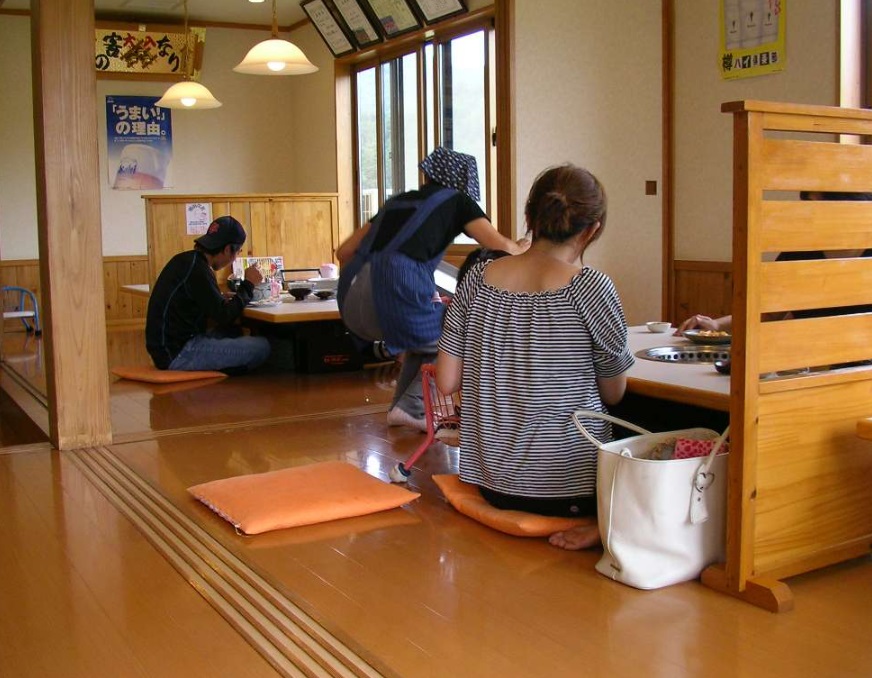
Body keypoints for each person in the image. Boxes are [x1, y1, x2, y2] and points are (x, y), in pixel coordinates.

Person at [436, 163, 635, 551]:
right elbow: (614, 394)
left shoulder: (476, 278)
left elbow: (446, 382)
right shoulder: (591, 287)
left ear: (528, 218)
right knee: (660, 417)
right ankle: (612, 519)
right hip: (569, 492)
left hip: (491, 485)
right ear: (592, 230)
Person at [336, 147, 530, 432]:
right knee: (453, 336)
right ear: (464, 181)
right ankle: (410, 406)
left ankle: (403, 408)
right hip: (394, 286)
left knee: (426, 341)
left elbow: (343, 252)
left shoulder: (398, 201)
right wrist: (526, 246)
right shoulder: (458, 201)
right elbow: (503, 248)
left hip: (350, 299)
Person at [675, 191, 872, 335]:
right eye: (809, 205)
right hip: (806, 364)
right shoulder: (800, 253)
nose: (812, 214)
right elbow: (769, 314)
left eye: (820, 207)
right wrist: (716, 325)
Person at [146, 215, 271, 372]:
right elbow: (224, 316)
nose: (235, 258)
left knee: (233, 332)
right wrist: (249, 284)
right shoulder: (198, 269)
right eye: (238, 252)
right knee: (262, 346)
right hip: (177, 353)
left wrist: (220, 298)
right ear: (227, 249)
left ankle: (221, 366)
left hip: (167, 347)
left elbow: (203, 303)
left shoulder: (187, 261)